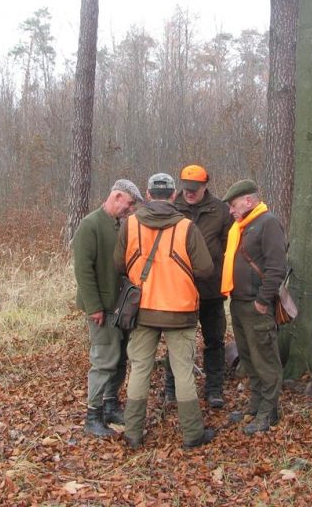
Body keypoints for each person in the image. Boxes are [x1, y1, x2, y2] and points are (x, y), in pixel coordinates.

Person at [115, 173, 216, 449]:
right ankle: (192, 434)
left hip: (143, 310)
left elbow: (117, 265)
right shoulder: (186, 227)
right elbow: (206, 269)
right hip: (179, 310)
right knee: (182, 372)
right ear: (174, 195)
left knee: (139, 370)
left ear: (147, 194)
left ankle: (133, 433)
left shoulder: (130, 225)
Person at [72, 179, 144, 437]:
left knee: (120, 358)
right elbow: (83, 270)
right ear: (116, 196)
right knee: (104, 360)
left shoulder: (117, 226)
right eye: (130, 203)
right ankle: (93, 416)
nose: (131, 209)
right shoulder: (90, 225)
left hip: (120, 307)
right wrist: (94, 307)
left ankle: (111, 404)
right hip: (102, 309)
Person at [221, 179, 287, 435]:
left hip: (256, 306)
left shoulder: (268, 223)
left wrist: (262, 300)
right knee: (249, 359)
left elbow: (276, 267)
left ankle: (268, 414)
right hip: (239, 304)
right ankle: (255, 407)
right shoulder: (242, 226)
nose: (230, 211)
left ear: (248, 201)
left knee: (265, 361)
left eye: (233, 205)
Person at [164, 164, 233, 409]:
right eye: (186, 188)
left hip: (211, 290)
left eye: (195, 189)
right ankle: (171, 389)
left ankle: (214, 389)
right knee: (178, 342)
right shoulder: (173, 208)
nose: (190, 193)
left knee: (214, 341)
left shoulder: (222, 211)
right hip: (179, 290)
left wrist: (223, 279)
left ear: (205, 186)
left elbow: (228, 248)